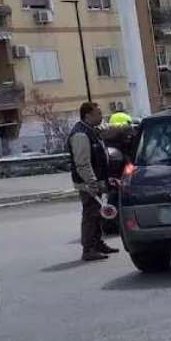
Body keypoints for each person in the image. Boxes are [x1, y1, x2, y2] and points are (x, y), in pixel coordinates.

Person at [68, 102, 118, 261]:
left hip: (96, 180)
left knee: (97, 213)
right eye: (98, 113)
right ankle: (88, 248)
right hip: (88, 183)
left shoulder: (92, 131)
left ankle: (97, 243)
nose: (101, 116)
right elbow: (82, 163)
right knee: (90, 214)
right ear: (88, 115)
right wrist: (92, 182)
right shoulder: (81, 135)